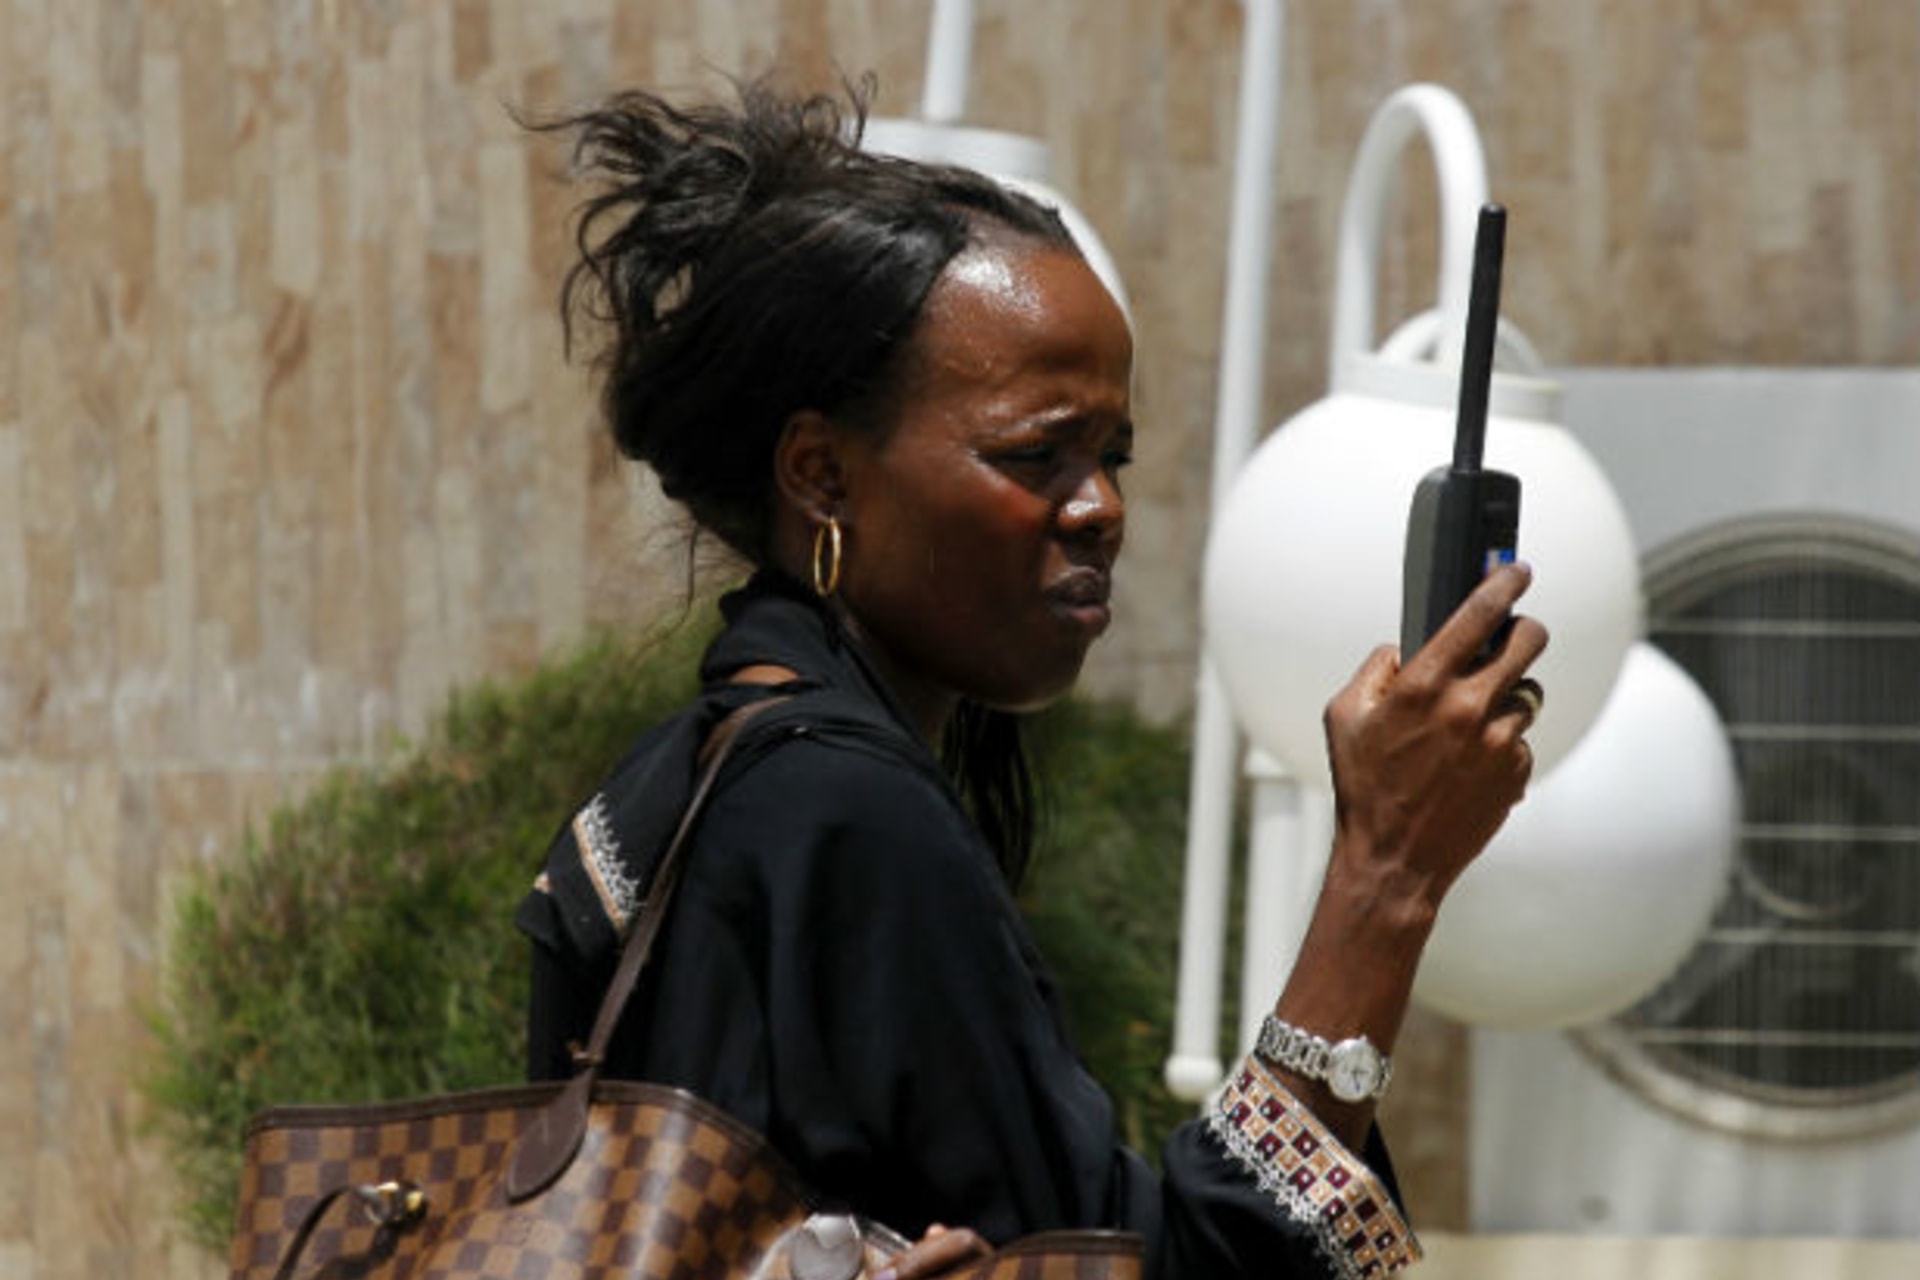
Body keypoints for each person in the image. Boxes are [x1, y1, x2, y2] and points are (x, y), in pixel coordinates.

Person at [515, 72, 1547, 1280]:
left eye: (1110, 453)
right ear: (822, 474)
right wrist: (1386, 875)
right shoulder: (839, 812)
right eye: (1035, 452)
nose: (1100, 506)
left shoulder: (701, 774)